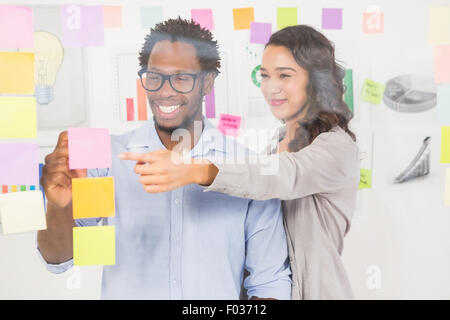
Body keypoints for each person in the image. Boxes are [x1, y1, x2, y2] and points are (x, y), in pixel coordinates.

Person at [37, 17, 291, 300]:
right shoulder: (108, 158)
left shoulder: (248, 169)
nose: (165, 90)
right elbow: (59, 260)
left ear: (207, 82)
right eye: (155, 76)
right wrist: (59, 208)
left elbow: (270, 283)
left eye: (181, 77)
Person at [120, 25, 360, 299]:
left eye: (284, 75)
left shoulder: (336, 147)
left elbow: (281, 176)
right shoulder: (273, 146)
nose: (272, 87)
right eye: (266, 76)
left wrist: (195, 170)